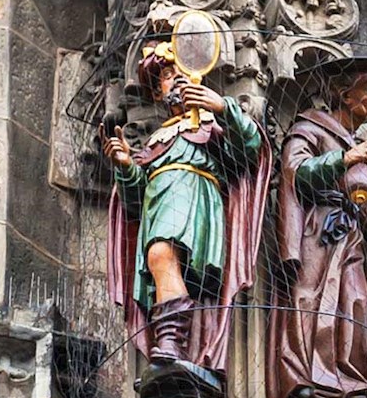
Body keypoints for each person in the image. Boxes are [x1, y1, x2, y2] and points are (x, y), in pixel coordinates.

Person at [103, 37, 266, 376]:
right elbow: (135, 203)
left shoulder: (210, 126)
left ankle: (173, 341)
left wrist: (223, 107)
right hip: (158, 204)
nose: (174, 77)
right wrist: (125, 167)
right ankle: (169, 341)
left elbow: (249, 149)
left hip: (195, 199)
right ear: (159, 94)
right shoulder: (155, 140)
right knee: (159, 260)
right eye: (164, 75)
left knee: (162, 256)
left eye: (181, 70)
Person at [268, 54, 367, 398]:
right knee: (312, 299)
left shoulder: (356, 145)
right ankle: (306, 377)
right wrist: (343, 160)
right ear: (343, 95)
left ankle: (346, 378)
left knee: (354, 304)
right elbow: (295, 171)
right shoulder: (311, 128)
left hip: (350, 238)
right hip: (317, 230)